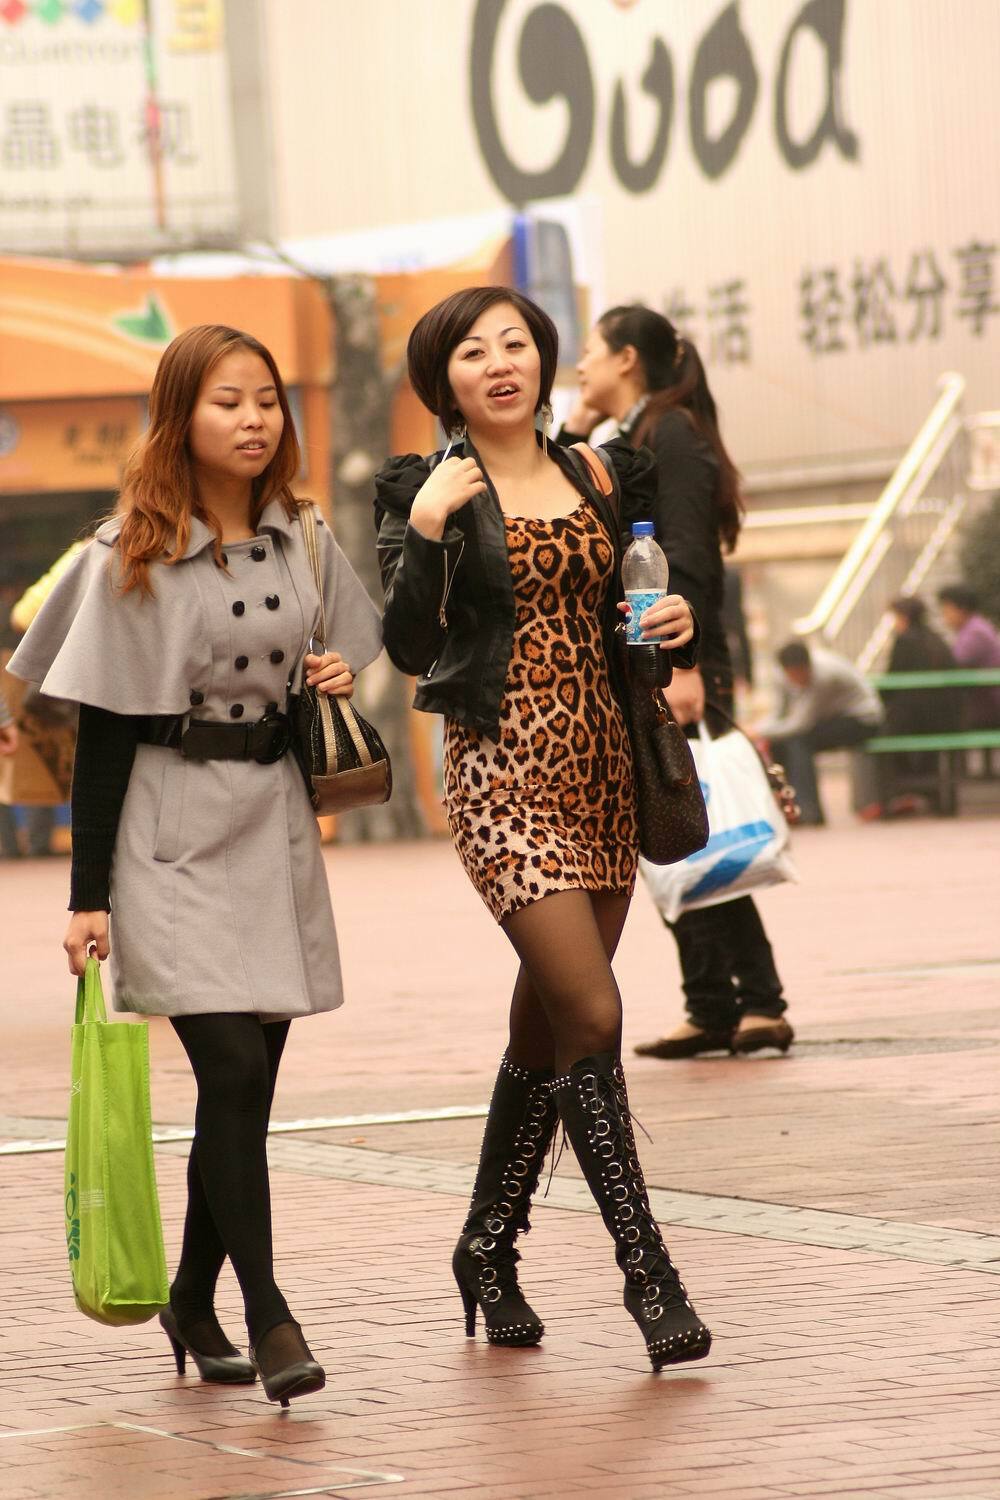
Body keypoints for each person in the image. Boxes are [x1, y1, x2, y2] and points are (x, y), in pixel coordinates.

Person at [8, 324, 382, 1406]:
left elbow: (356, 646)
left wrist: (331, 672)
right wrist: (87, 897)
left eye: (266, 399)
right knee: (226, 1072)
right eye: (228, 402)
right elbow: (107, 737)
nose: (255, 419)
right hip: (167, 833)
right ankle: (271, 1317)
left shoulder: (303, 536)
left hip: (269, 820)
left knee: (250, 1088)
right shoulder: (127, 550)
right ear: (182, 417)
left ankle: (192, 1295)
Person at [374, 286, 711, 1370]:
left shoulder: (601, 472)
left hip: (604, 764)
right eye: (472, 352)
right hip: (501, 771)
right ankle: (648, 1278)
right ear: (445, 381)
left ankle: (485, 1246)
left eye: (515, 343)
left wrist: (674, 620)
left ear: (543, 359)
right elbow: (408, 647)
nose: (499, 363)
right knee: (592, 1007)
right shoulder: (420, 491)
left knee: (545, 1028)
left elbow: (639, 603)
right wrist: (428, 534)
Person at [565, 304, 792, 1060]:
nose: (581, 368)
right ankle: (717, 1003)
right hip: (647, 659)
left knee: (694, 821)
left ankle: (755, 1001)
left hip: (677, 658)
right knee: (675, 825)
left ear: (627, 358)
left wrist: (687, 668)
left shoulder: (674, 435)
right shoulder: (629, 434)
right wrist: (572, 428)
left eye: (591, 353)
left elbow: (690, 557)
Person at [757, 640, 884, 826]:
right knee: (780, 743)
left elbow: (800, 724)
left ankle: (809, 812)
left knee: (800, 741)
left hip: (862, 719)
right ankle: (789, 807)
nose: (796, 679)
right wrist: (762, 729)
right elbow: (779, 714)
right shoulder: (780, 675)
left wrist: (758, 730)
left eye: (799, 674)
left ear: (807, 666)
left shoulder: (824, 675)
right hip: (827, 717)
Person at [859, 596, 960, 819]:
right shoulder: (936, 639)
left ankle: (893, 797)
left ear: (903, 617)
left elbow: (891, 681)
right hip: (944, 718)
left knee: (882, 739)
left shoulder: (905, 641)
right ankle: (929, 794)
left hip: (913, 718)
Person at [937, 585, 1000, 728]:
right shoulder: (972, 628)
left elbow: (954, 663)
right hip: (984, 701)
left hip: (989, 703)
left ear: (962, 609)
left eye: (947, 611)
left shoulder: (975, 632)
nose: (945, 617)